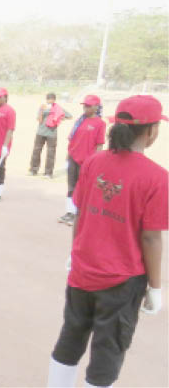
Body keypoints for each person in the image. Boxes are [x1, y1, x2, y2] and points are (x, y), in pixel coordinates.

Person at [47, 95, 167, 388]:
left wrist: (75, 253)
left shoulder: (93, 162)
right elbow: (151, 237)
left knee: (71, 336)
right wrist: (155, 286)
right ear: (151, 131)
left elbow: (81, 212)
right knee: (108, 349)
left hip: (83, 270)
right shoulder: (157, 178)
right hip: (122, 280)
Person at [58, 95, 106, 226]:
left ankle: (79, 214)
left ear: (96, 107)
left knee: (83, 188)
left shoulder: (100, 123)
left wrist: (96, 162)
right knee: (71, 186)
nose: (86, 107)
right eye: (85, 105)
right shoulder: (80, 120)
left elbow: (99, 145)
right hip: (74, 157)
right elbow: (73, 139)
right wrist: (68, 155)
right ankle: (69, 212)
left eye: (89, 105)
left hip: (87, 161)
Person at [29, 93, 71, 178]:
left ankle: (38, 171)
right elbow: (69, 116)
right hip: (45, 132)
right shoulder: (53, 108)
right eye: (49, 99)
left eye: (50, 99)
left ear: (53, 100)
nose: (50, 101)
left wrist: (58, 118)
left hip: (47, 133)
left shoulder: (52, 108)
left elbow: (69, 116)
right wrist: (59, 118)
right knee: (42, 152)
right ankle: (41, 171)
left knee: (44, 152)